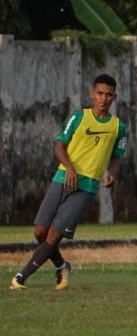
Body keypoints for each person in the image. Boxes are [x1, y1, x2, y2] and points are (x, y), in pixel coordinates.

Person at [10, 74, 127, 290]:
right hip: (63, 178)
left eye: (109, 95)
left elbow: (117, 156)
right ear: (92, 94)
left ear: (114, 97)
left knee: (54, 235)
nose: (103, 98)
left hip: (87, 186)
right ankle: (62, 266)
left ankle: (20, 277)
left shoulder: (119, 127)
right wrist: (70, 169)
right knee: (40, 232)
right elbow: (59, 146)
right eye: (100, 93)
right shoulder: (78, 118)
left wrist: (111, 173)